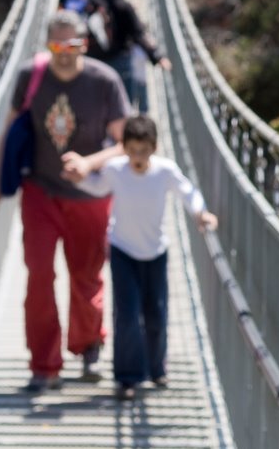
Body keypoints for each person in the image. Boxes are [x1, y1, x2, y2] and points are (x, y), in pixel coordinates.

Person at [0, 10, 130, 393]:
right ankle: (43, 365)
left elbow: (125, 143)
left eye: (74, 45)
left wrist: (89, 163)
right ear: (48, 45)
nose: (65, 53)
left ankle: (88, 346)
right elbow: (9, 131)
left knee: (86, 276)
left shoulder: (105, 81)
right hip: (40, 192)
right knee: (40, 275)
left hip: (90, 197)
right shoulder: (31, 76)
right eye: (57, 45)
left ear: (86, 43)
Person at [71, 115, 218, 401]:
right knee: (126, 315)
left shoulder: (165, 171)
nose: (138, 157)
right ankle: (127, 376)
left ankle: (156, 367)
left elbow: (188, 193)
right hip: (123, 251)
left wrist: (201, 214)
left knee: (156, 314)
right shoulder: (115, 170)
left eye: (145, 150)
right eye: (133, 150)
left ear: (155, 147)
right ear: (124, 147)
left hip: (155, 252)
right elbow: (97, 187)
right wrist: (78, 179)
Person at [90, 0, 172, 100]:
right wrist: (157, 57)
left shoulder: (92, 3)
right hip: (120, 63)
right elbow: (138, 34)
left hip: (94, 62)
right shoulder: (123, 7)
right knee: (122, 107)